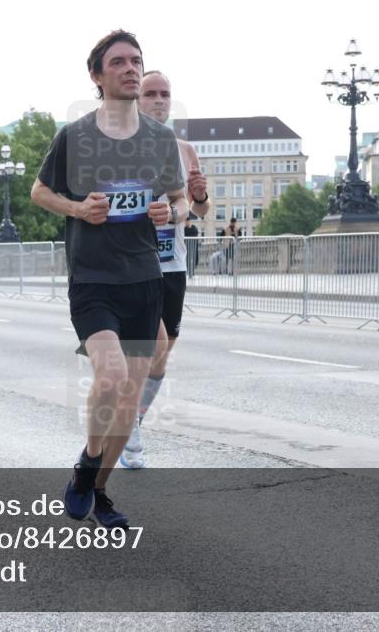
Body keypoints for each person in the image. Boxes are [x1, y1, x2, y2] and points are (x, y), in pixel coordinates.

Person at [31, 30, 189, 528]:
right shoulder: (75, 136)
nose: (130, 68)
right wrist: (79, 208)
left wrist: (171, 211)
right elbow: (39, 192)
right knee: (113, 377)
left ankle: (97, 488)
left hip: (144, 279)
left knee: (129, 396)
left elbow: (181, 200)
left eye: (135, 60)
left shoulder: (159, 139)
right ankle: (88, 464)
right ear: (96, 76)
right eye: (118, 62)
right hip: (93, 278)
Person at [121, 70, 210, 469]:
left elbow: (200, 210)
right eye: (151, 93)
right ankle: (128, 429)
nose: (159, 100)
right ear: (137, 99)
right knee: (149, 347)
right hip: (134, 262)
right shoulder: (122, 146)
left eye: (165, 94)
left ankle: (133, 419)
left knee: (162, 353)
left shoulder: (185, 150)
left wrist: (199, 196)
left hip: (172, 261)